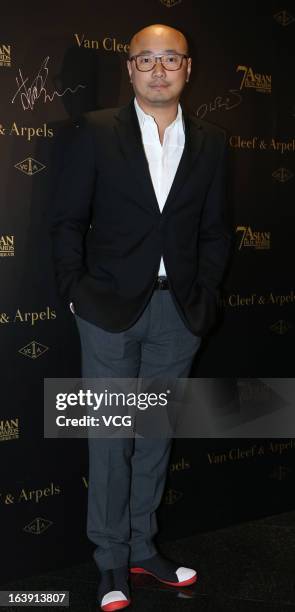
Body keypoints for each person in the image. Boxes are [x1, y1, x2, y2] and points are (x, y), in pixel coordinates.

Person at [51, 23, 232, 612]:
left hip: (177, 313)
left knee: (154, 437)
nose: (159, 69)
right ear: (129, 68)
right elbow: (67, 222)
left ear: (187, 69)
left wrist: (202, 295)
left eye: (170, 59)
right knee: (109, 440)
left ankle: (141, 548)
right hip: (108, 311)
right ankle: (107, 564)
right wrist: (77, 292)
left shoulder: (211, 141)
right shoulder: (96, 131)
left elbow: (214, 230)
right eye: (146, 59)